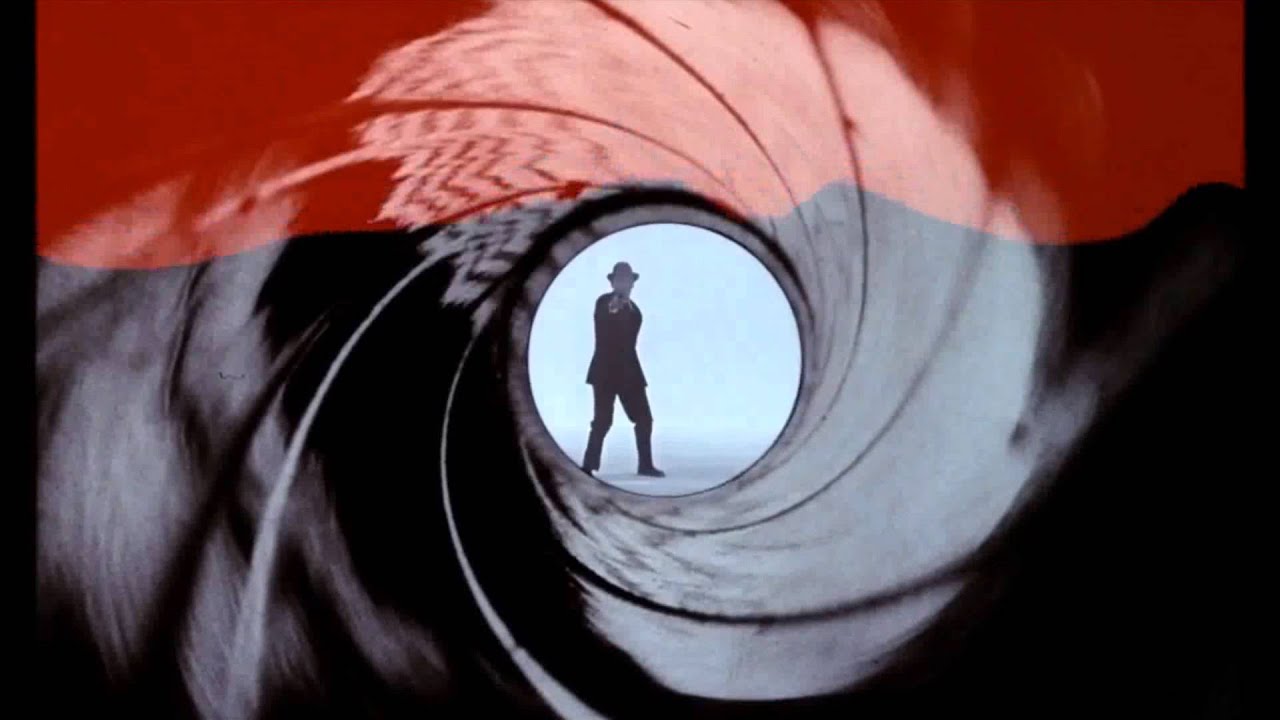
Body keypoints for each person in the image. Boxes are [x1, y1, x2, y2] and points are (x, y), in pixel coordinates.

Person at [582, 261, 666, 478]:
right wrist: (614, 307)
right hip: (605, 372)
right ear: (613, 283)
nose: (624, 284)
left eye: (627, 280)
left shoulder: (635, 310)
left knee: (644, 419)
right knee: (602, 421)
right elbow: (607, 313)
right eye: (619, 280)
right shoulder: (605, 301)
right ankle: (588, 466)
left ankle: (645, 465)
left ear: (632, 283)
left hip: (630, 373)